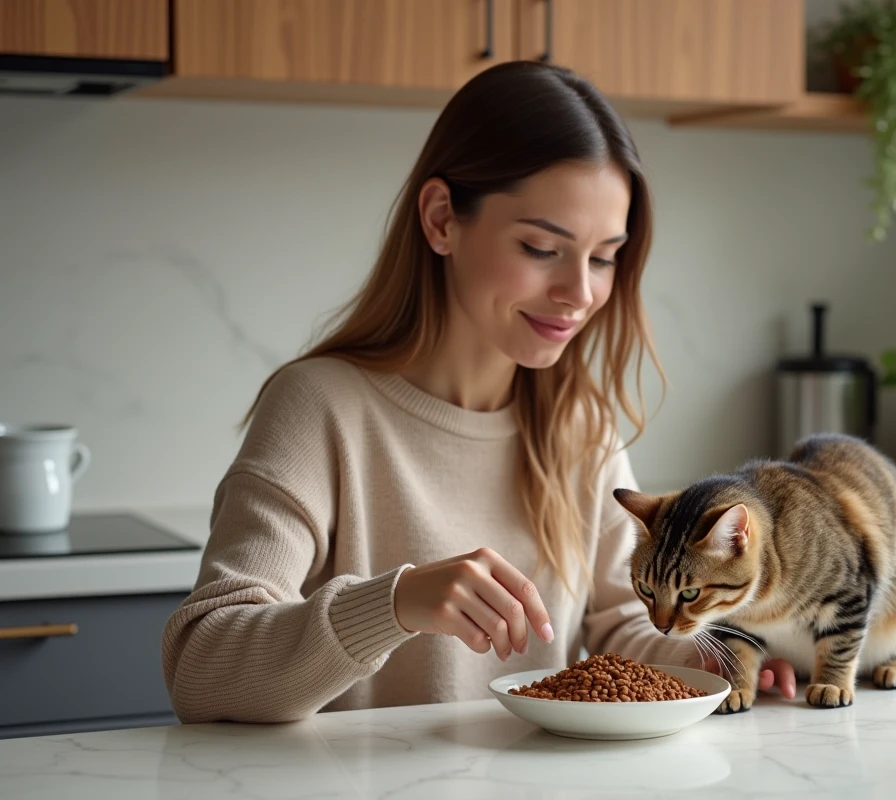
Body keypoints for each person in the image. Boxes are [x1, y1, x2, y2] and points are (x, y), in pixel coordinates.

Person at [161, 61, 795, 724]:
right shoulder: (319, 406)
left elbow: (618, 632)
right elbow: (201, 669)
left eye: (605, 256)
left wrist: (729, 652)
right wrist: (393, 604)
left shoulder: (578, 425)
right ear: (441, 220)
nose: (580, 293)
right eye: (541, 247)